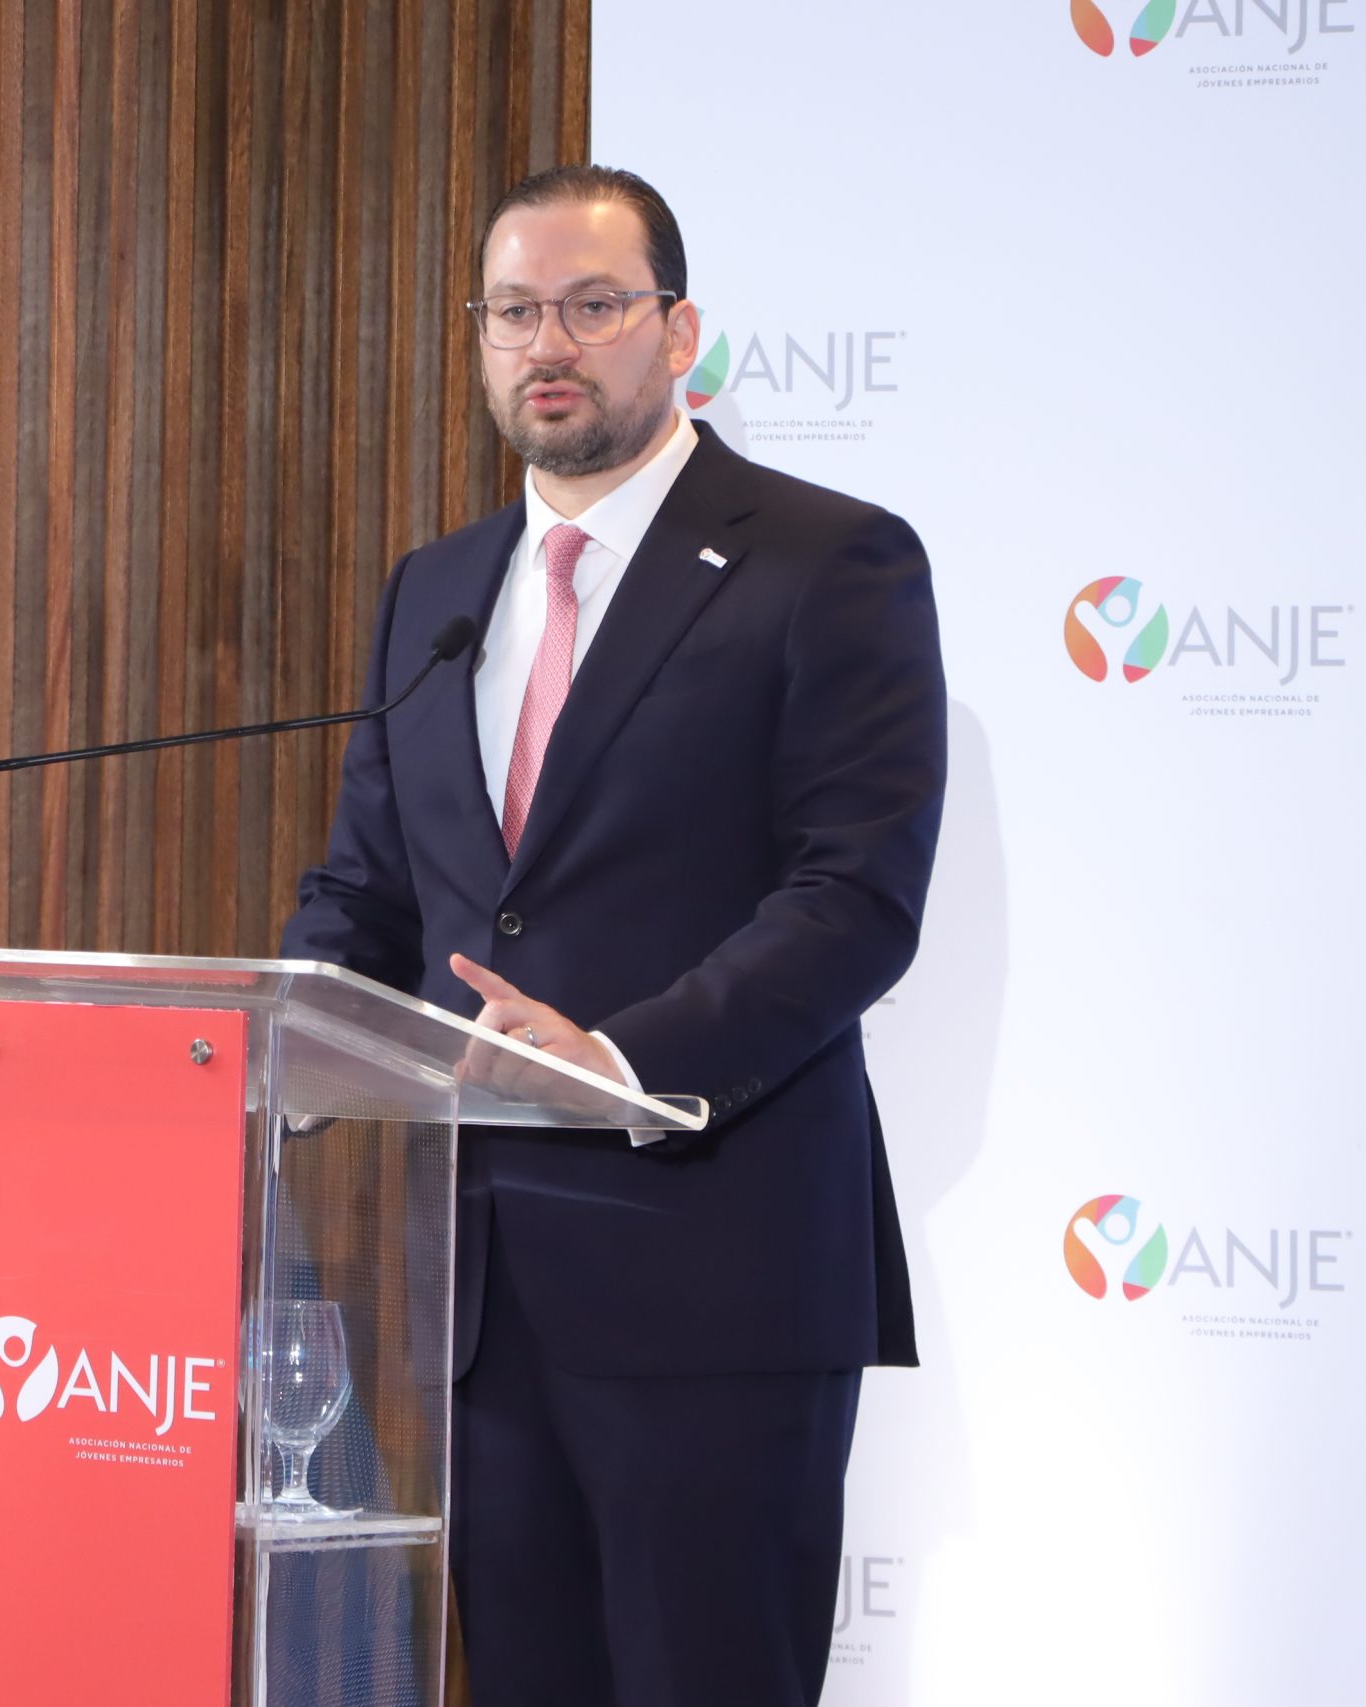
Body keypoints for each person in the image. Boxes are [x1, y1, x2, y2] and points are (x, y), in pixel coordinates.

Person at [278, 164, 945, 1707]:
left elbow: (854, 897)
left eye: (593, 306)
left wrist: (622, 1059)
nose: (549, 345)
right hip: (482, 1295)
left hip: (718, 1276)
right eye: (514, 312)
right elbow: (371, 892)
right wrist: (285, 1038)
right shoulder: (437, 592)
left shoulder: (826, 561)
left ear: (679, 330)